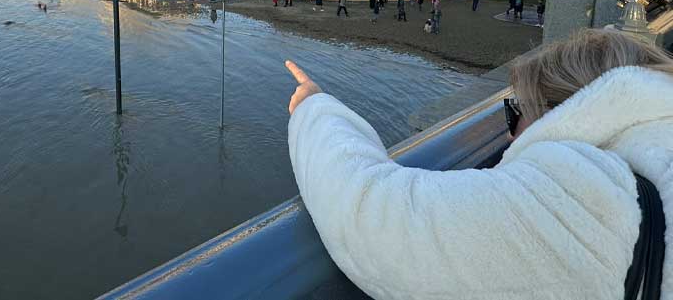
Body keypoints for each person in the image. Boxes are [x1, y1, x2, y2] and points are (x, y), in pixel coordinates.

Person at [284, 29, 673, 300]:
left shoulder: (593, 198)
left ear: (564, 111)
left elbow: (370, 214)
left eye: (516, 112)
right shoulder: (653, 154)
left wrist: (314, 107)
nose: (508, 134)